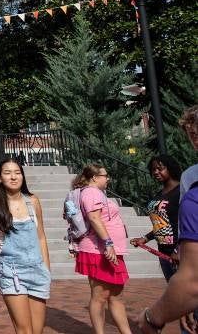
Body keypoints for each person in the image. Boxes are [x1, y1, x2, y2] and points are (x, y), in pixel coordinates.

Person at [137, 105, 198, 334]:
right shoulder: (190, 178)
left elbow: (192, 282)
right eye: (191, 134)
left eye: (160, 168)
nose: (195, 139)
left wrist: (152, 318)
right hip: (177, 254)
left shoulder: (186, 188)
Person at [0, 159, 51, 334]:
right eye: (7, 173)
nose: (13, 177)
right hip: (12, 273)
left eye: (17, 172)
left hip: (37, 270)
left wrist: (46, 269)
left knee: (37, 330)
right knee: (24, 330)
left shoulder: (33, 201)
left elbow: (41, 237)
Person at [71, 164, 132, 334]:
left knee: (116, 295)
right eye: (105, 175)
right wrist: (108, 244)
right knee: (100, 296)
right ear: (94, 178)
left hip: (109, 250)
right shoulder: (91, 192)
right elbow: (94, 218)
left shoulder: (96, 193)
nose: (108, 178)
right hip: (99, 251)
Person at [130, 155, 181, 282]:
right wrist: (145, 238)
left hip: (180, 253)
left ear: (170, 168)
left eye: (160, 168)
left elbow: (187, 223)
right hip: (163, 252)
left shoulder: (181, 191)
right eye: (153, 170)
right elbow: (162, 224)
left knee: (187, 295)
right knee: (173, 290)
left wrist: (178, 250)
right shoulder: (160, 194)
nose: (156, 172)